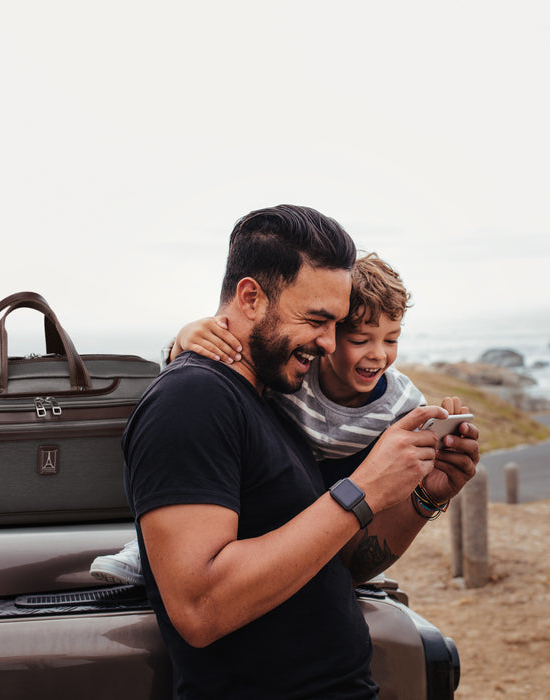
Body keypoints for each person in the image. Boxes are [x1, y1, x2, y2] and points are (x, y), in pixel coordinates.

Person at [122, 205, 479, 698]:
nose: (330, 343)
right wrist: (364, 487)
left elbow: (337, 560)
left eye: (337, 324)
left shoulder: (271, 400)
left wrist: (423, 498)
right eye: (316, 319)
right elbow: (201, 608)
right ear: (250, 297)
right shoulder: (193, 399)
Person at [92, 253, 436, 586]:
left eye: (392, 340)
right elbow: (211, 372)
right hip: (271, 485)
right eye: (361, 340)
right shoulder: (296, 370)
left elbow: (410, 455)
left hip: (336, 493)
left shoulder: (400, 402)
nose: (378, 354)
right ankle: (150, 553)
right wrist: (182, 342)